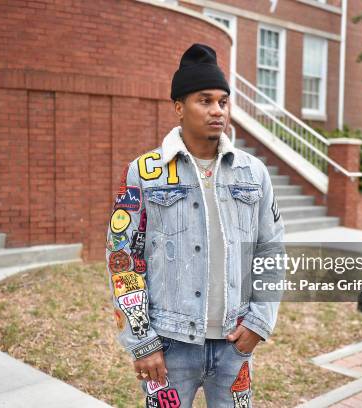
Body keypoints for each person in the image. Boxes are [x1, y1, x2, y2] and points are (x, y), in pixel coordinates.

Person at [105, 43, 286, 407]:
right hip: (168, 346)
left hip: (235, 344)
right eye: (205, 101)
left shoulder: (253, 172)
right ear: (178, 107)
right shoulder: (144, 174)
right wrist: (142, 342)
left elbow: (271, 250)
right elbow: (122, 260)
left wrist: (259, 322)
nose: (217, 111)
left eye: (223, 101)